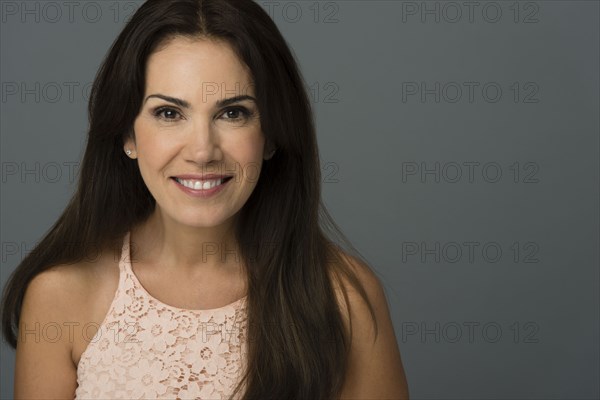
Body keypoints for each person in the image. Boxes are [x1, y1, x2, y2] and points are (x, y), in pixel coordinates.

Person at [0, 0, 410, 398]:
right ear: (128, 135)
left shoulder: (344, 299)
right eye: (169, 113)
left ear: (270, 134)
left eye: (232, 113)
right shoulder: (60, 299)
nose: (202, 151)